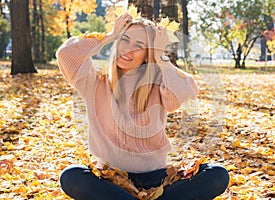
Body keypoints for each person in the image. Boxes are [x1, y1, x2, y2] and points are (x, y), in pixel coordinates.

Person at [56, 12, 229, 200]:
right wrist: (110, 35)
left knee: (217, 174)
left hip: (158, 180)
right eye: (124, 40)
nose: (128, 50)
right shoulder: (94, 83)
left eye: (138, 46)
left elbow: (186, 90)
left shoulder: (158, 84)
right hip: (112, 182)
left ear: (147, 54)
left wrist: (160, 56)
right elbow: (66, 54)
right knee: (71, 175)